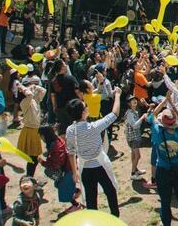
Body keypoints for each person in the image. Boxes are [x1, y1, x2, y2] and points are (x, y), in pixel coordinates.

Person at [65, 85, 122, 216]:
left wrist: (75, 172)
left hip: (84, 169)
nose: (87, 107)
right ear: (83, 112)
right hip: (100, 166)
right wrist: (117, 95)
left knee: (91, 200)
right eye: (85, 106)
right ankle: (115, 218)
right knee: (111, 192)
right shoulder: (93, 127)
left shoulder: (70, 130)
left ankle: (93, 221)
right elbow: (114, 114)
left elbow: (71, 152)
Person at [149, 93, 178, 226]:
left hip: (162, 169)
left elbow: (153, 115)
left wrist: (163, 103)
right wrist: (172, 104)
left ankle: (166, 222)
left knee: (165, 199)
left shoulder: (157, 131)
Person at [39, 124, 82, 214]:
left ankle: (75, 205)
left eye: (41, 136)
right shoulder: (56, 140)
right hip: (69, 168)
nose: (41, 138)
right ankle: (76, 191)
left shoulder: (56, 146)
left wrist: (43, 162)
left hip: (67, 170)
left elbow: (56, 164)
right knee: (60, 185)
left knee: (63, 187)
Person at [16, 75, 46, 177]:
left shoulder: (34, 100)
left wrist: (34, 86)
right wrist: (23, 87)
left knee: (34, 158)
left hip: (35, 131)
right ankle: (29, 177)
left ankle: (30, 177)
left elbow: (43, 91)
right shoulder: (24, 102)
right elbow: (29, 95)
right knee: (33, 158)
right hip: (30, 131)